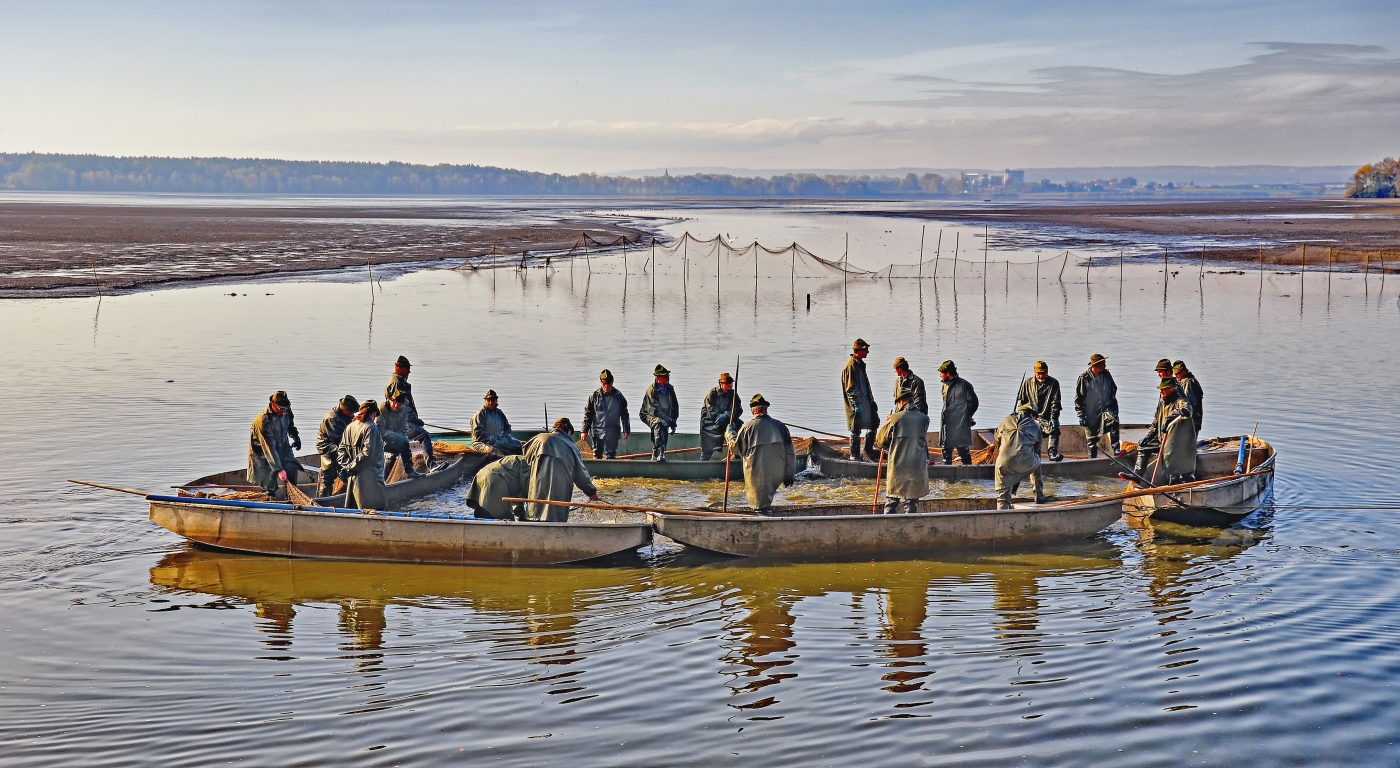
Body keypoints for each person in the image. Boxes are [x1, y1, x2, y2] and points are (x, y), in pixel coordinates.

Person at [726, 394, 797, 515]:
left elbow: (735, 448)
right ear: (766, 409)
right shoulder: (780, 426)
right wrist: (789, 474)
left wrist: (730, 432)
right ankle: (765, 513)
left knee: (759, 504)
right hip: (776, 473)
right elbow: (790, 453)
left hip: (755, 474)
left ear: (752, 411)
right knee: (766, 499)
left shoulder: (747, 428)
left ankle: (763, 518)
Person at [522, 418, 599, 522]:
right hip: (559, 490)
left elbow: (525, 458)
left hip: (536, 486)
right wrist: (591, 491)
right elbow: (580, 474)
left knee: (535, 512)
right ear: (567, 431)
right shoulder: (571, 446)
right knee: (555, 517)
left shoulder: (537, 439)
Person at [1130, 378, 1198, 484]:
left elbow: (1188, 410)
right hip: (1162, 439)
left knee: (1172, 465)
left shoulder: (1181, 401)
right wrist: (1148, 436)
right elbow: (1155, 422)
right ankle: (1137, 476)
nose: (1161, 392)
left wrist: (1169, 418)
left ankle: (1174, 483)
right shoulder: (1162, 402)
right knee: (1143, 446)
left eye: (1164, 389)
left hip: (1177, 444)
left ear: (1172, 389)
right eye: (1160, 390)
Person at [875, 391, 931, 514]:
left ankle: (889, 526)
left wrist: (887, 423)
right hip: (917, 465)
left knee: (892, 499)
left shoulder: (895, 418)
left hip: (898, 465)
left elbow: (880, 441)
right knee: (911, 500)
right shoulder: (925, 419)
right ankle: (911, 527)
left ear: (901, 402)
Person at [994, 404, 1047, 509]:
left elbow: (997, 437)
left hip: (1003, 463)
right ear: (1032, 415)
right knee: (1037, 460)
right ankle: (1038, 495)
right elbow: (1037, 448)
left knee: (1002, 496)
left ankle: (1002, 511)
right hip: (1026, 462)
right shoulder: (1035, 426)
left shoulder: (1005, 420)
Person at [248, 390, 299, 498]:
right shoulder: (263, 420)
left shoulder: (286, 410)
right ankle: (268, 498)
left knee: (292, 468)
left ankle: (290, 499)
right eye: (281, 408)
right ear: (273, 405)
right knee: (269, 481)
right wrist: (279, 469)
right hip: (263, 454)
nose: (284, 412)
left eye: (285, 408)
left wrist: (295, 437)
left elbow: (291, 425)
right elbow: (269, 447)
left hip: (282, 447)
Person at [338, 400, 387, 509]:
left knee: (354, 511)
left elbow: (341, 452)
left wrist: (347, 467)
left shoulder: (349, 427)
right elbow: (367, 454)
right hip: (371, 479)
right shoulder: (371, 428)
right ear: (373, 414)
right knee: (375, 511)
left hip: (353, 479)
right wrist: (351, 467)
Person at [1074, 354, 1121, 458]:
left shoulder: (1107, 375)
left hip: (1107, 408)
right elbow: (1079, 398)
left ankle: (1116, 450)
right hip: (1090, 411)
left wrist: (1111, 404)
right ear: (1096, 365)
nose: (1105, 365)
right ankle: (1092, 458)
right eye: (1103, 363)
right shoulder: (1084, 378)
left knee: (1114, 423)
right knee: (1092, 438)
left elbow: (1113, 389)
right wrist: (1081, 414)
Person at [1016, 361, 1063, 462]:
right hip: (1031, 416)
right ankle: (1029, 455)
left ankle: (1052, 453)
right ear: (1034, 372)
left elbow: (1056, 403)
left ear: (1047, 372)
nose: (1041, 376)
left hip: (1047, 416)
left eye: (1043, 373)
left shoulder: (1054, 383)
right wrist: (1026, 416)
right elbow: (1021, 403)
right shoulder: (1028, 383)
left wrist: (1053, 417)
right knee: (1027, 431)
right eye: (1039, 373)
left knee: (1054, 428)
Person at [842, 338, 879, 461]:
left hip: (866, 403)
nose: (867, 352)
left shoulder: (860, 365)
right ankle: (855, 456)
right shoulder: (851, 366)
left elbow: (865, 387)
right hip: (856, 406)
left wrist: (871, 402)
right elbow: (850, 388)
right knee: (855, 430)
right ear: (859, 350)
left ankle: (868, 451)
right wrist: (857, 404)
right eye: (865, 349)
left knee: (874, 423)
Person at [315, 395, 359, 497]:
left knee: (346, 469)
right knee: (328, 477)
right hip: (327, 446)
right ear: (345, 409)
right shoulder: (332, 418)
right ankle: (323, 500)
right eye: (351, 411)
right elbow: (340, 440)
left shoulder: (348, 416)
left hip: (340, 445)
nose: (353, 414)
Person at [938, 360, 979, 465]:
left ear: (947, 373)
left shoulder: (964, 385)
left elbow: (974, 403)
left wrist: (966, 416)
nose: (940, 375)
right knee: (946, 452)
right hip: (947, 424)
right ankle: (947, 478)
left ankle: (968, 476)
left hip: (960, 424)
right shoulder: (944, 386)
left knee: (963, 451)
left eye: (941, 373)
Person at [465, 454, 531, 520]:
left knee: (483, 513)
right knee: (501, 517)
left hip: (482, 474)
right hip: (494, 478)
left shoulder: (525, 462)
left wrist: (521, 517)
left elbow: (517, 497)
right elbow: (527, 492)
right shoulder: (532, 468)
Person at [582, 369, 630, 459]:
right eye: (604, 384)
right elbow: (588, 414)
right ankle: (596, 470)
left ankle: (610, 470)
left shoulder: (619, 397)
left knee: (611, 454)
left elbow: (624, 415)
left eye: (609, 384)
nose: (606, 386)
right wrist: (584, 430)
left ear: (612, 383)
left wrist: (626, 430)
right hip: (597, 430)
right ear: (601, 383)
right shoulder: (594, 396)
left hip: (613, 430)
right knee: (596, 453)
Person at [378, 389, 425, 478]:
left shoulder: (403, 410)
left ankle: (409, 471)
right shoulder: (381, 410)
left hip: (393, 437)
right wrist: (395, 436)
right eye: (394, 403)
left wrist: (399, 436)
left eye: (399, 404)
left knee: (404, 443)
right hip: (379, 440)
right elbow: (380, 431)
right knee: (390, 454)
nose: (396, 406)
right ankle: (383, 479)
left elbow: (404, 427)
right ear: (390, 400)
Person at [639, 364, 680, 462]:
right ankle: (657, 451)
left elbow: (674, 406)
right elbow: (654, 410)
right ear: (658, 378)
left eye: (667, 376)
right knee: (658, 423)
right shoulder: (652, 390)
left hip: (664, 416)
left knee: (664, 425)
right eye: (665, 376)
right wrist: (667, 419)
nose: (667, 378)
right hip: (648, 414)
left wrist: (673, 421)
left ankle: (661, 452)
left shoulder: (670, 389)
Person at [699, 372, 743, 460]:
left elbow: (738, 409)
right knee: (708, 442)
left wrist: (727, 415)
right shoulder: (712, 394)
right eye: (727, 383)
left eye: (730, 383)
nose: (729, 385)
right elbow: (710, 409)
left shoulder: (734, 395)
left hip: (729, 420)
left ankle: (736, 455)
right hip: (711, 421)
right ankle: (704, 459)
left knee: (739, 429)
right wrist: (720, 416)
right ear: (721, 384)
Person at [470, 390, 522, 454]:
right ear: (485, 401)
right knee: (494, 451)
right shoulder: (480, 414)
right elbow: (479, 433)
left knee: (519, 445)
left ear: (496, 401)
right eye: (488, 401)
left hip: (500, 441)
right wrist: (492, 440)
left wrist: (506, 437)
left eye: (493, 400)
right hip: (482, 443)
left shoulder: (499, 413)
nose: (490, 403)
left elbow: (507, 427)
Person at [1172, 361, 1204, 433]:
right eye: (1175, 374)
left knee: (1189, 441)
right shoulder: (1187, 380)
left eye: (1178, 373)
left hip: (1191, 421)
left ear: (1184, 371)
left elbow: (1189, 403)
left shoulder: (1188, 382)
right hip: (1192, 421)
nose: (1176, 376)